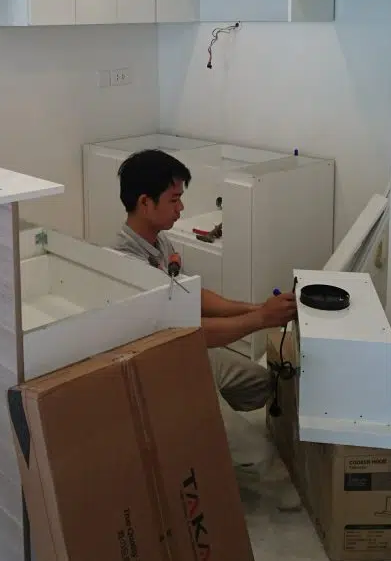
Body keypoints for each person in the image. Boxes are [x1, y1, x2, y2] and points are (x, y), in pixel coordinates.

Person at [114, 149, 297, 413]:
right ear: (145, 203)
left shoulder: (158, 240)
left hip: (180, 348)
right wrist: (262, 318)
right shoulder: (127, 263)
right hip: (158, 367)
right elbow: (188, 331)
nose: (181, 208)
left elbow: (193, 295)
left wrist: (258, 308)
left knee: (262, 383)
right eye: (174, 199)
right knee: (242, 443)